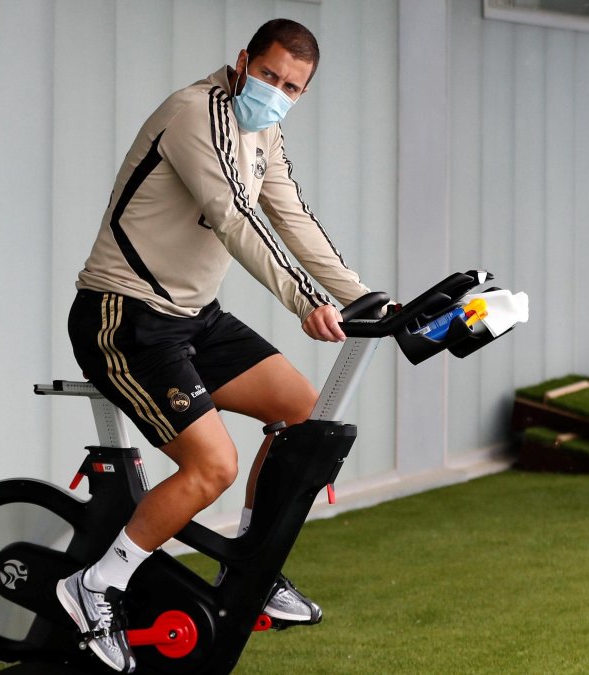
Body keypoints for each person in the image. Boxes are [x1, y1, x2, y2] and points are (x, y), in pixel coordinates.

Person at [56, 19, 369, 673]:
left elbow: (292, 216)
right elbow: (236, 217)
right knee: (213, 466)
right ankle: (94, 584)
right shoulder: (192, 114)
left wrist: (366, 297)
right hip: (124, 316)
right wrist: (307, 300)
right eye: (270, 75)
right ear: (242, 62)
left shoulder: (266, 131)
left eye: (292, 86)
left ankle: (250, 569)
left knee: (308, 418)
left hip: (196, 318)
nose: (277, 92)